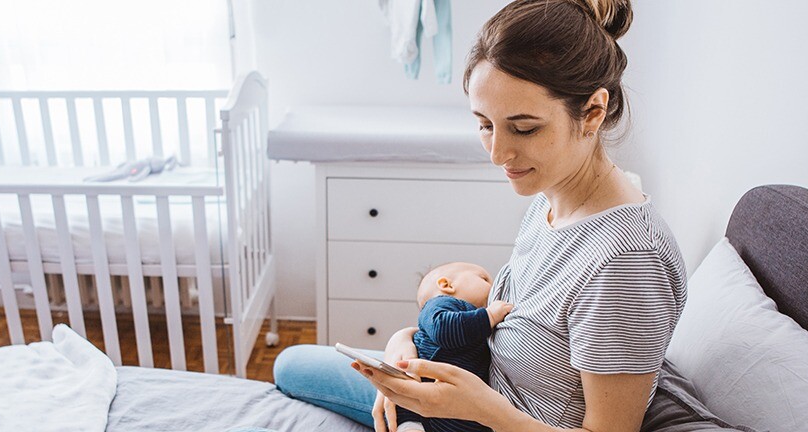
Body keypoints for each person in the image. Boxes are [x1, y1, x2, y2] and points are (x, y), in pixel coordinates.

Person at [273, 1, 688, 431]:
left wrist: (481, 410)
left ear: (593, 113)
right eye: (485, 124)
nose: (497, 154)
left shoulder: (627, 263)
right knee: (291, 363)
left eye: (524, 128)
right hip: (472, 386)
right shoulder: (551, 201)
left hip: (482, 418)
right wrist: (407, 342)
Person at [396, 262, 513, 432]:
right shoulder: (439, 304)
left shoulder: (476, 323)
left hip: (455, 415)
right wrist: (490, 315)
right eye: (484, 279)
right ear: (447, 285)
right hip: (416, 411)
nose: (494, 285)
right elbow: (443, 329)